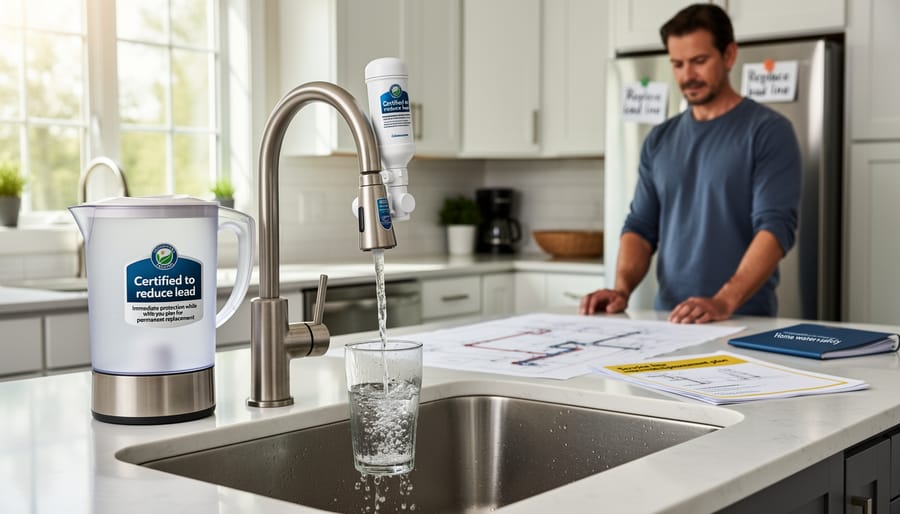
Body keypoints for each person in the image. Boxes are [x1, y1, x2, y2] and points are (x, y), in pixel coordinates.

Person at [579, 3, 801, 324]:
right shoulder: (659, 139)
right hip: (668, 320)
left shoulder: (768, 131)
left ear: (729, 56)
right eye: (678, 64)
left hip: (742, 320)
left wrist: (723, 301)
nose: (687, 75)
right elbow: (640, 227)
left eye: (699, 61)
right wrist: (621, 290)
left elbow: (775, 228)